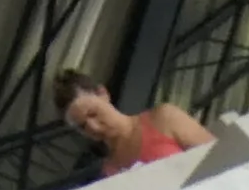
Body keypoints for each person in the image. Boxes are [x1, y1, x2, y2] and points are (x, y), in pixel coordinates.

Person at [51, 65, 212, 175]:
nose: (93, 127)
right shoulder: (109, 170)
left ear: (103, 93)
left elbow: (217, 154)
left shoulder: (164, 118)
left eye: (93, 113)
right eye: (83, 127)